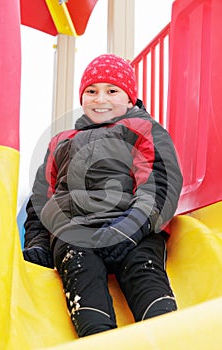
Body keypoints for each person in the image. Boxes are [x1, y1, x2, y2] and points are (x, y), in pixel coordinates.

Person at [23, 54, 183, 337]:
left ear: (130, 98)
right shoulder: (62, 141)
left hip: (132, 227)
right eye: (91, 91)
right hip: (75, 232)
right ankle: (97, 336)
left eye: (112, 91)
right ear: (82, 98)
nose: (100, 99)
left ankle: (166, 334)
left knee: (143, 271)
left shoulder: (142, 130)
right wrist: (39, 244)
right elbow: (41, 199)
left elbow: (159, 182)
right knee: (82, 276)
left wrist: (131, 228)